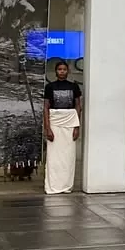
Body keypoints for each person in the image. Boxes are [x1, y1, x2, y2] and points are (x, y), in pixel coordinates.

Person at [42, 59, 82, 194]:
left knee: (68, 157)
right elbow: (46, 108)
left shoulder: (74, 87)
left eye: (64, 69)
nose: (62, 72)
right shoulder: (49, 87)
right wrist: (47, 128)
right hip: (55, 123)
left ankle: (66, 186)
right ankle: (53, 186)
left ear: (68, 71)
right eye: (59, 69)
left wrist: (77, 127)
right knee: (53, 157)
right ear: (56, 71)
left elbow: (78, 106)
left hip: (70, 123)